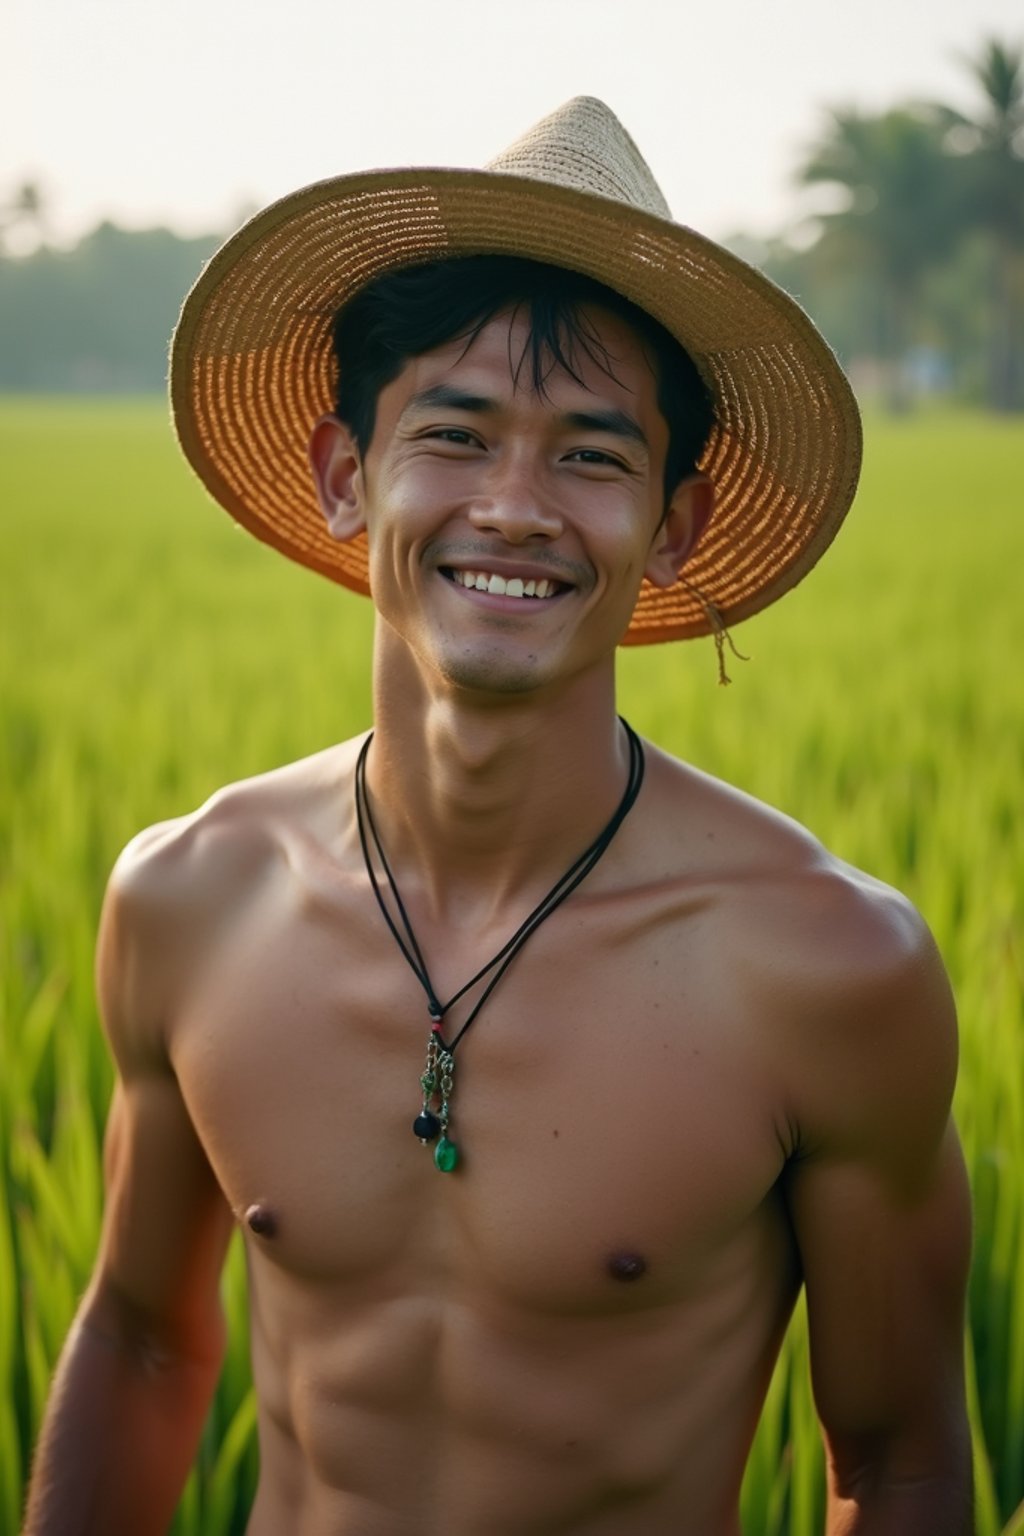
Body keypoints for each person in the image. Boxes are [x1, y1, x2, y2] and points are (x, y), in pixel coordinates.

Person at [23, 98, 972, 1536]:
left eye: (592, 456)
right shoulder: (189, 900)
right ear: (349, 479)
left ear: (677, 524)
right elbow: (143, 1341)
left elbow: (896, 1464)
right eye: (456, 436)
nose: (517, 508)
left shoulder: (827, 968)